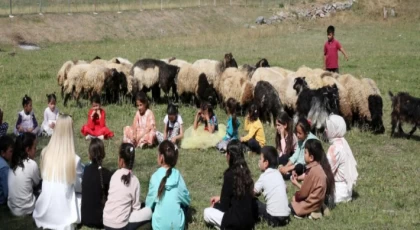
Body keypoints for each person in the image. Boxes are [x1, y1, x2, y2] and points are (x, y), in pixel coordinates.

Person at [33, 114, 84, 230]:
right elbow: (79, 188)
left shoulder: (45, 153)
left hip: (44, 212)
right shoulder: (74, 160)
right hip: (64, 216)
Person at [203, 140, 256, 230]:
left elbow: (224, 206)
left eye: (226, 152)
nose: (225, 155)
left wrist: (215, 206)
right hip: (249, 222)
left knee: (207, 212)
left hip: (235, 222)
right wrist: (220, 197)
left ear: (230, 155)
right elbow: (238, 194)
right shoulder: (246, 171)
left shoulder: (229, 174)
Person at [103, 143, 152, 230]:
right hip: (121, 226)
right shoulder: (135, 181)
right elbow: (136, 208)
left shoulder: (114, 175)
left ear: (121, 161)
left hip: (106, 221)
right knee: (148, 211)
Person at [145, 140, 190, 230]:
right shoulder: (178, 176)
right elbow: (186, 200)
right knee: (184, 207)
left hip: (158, 227)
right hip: (177, 227)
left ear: (161, 157)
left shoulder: (155, 176)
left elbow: (149, 204)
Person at [290, 139, 335, 219]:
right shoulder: (319, 168)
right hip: (319, 200)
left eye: (305, 152)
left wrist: (296, 194)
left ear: (311, 157)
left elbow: (304, 193)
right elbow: (311, 190)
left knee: (292, 203)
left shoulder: (312, 171)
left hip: (312, 203)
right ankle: (320, 208)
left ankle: (311, 212)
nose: (304, 155)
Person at [325, 114, 358, 203]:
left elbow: (327, 171)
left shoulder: (334, 148)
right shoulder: (343, 143)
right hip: (347, 192)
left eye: (327, 128)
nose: (325, 130)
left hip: (337, 192)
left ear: (333, 129)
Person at [254, 146, 290, 227]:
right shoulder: (278, 174)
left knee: (253, 202)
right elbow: (286, 189)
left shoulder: (264, 176)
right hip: (285, 217)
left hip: (273, 218)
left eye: (260, 159)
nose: (259, 161)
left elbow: (252, 192)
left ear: (266, 163)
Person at [81, 138, 113, 229]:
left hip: (85, 218)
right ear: (103, 154)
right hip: (100, 221)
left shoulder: (86, 170)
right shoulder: (106, 174)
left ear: (89, 155)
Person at [7, 132, 41, 216]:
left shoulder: (13, 163)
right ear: (27, 150)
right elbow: (37, 183)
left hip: (13, 208)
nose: (36, 150)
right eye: (34, 148)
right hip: (27, 209)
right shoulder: (31, 164)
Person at [0, 135, 14, 205]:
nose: (13, 153)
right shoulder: (4, 168)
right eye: (11, 151)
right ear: (3, 153)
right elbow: (7, 193)